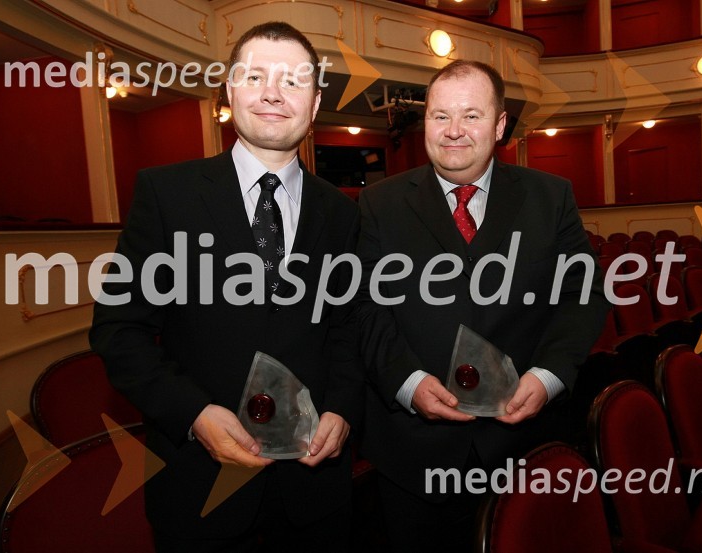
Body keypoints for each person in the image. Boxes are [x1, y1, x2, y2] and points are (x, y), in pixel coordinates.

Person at [90, 22, 361, 553]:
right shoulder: (166, 194)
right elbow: (119, 331)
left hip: (312, 489)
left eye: (293, 80)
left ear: (315, 102)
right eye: (255, 75)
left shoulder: (342, 211)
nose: (272, 93)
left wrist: (343, 409)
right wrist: (193, 414)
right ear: (229, 89)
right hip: (197, 485)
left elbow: (348, 328)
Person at [355, 60, 609, 553]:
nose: (453, 131)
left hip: (523, 445)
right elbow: (364, 306)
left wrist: (549, 375)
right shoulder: (377, 205)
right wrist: (406, 382)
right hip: (412, 451)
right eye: (439, 116)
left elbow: (584, 294)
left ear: (498, 126)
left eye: (471, 116)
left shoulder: (550, 197)